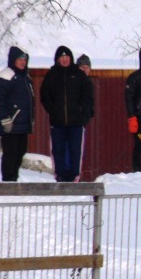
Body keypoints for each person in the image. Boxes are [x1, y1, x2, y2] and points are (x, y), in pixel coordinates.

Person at [39, 45, 95, 182]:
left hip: (76, 122)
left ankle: (74, 176)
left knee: (75, 150)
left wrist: (83, 113)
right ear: (57, 59)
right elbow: (45, 95)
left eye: (67, 57)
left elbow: (87, 97)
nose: (65, 60)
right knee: (58, 150)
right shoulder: (51, 75)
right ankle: (60, 175)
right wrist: (52, 110)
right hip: (57, 122)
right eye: (62, 57)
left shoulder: (79, 75)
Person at [0, 46, 35, 182]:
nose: (22, 62)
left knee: (20, 152)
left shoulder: (25, 77)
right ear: (13, 60)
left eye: (24, 59)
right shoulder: (6, 75)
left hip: (23, 123)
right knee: (10, 154)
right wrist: (4, 119)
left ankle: (14, 178)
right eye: (19, 59)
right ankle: (8, 180)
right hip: (10, 122)